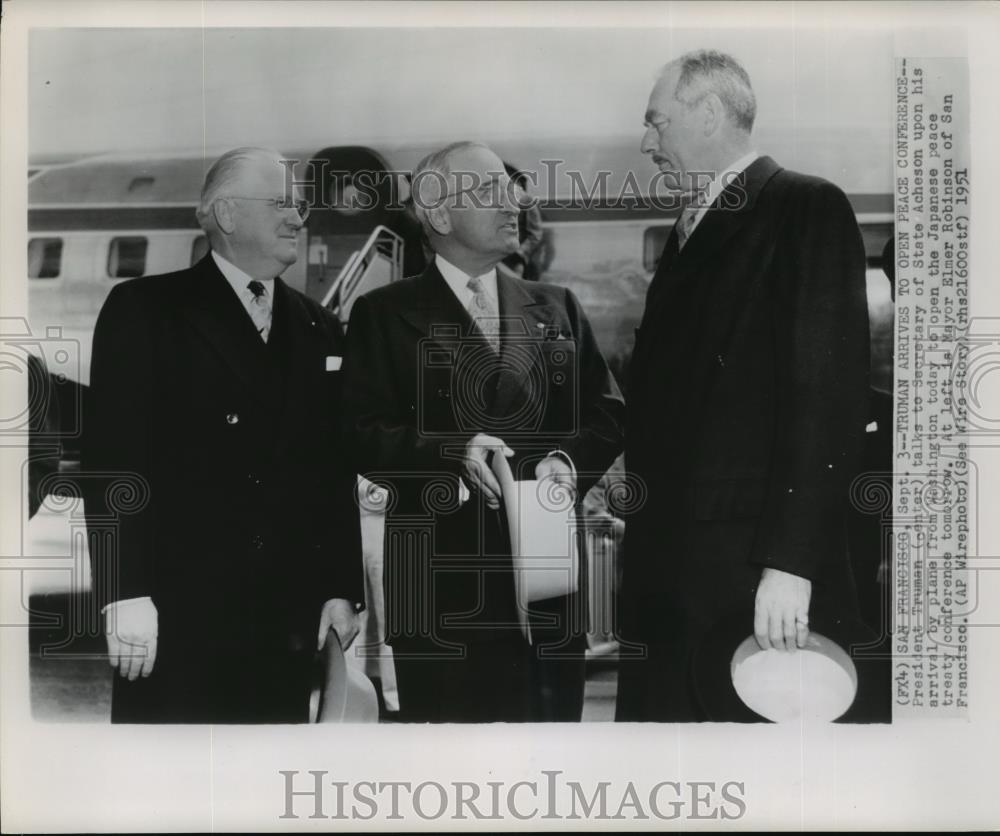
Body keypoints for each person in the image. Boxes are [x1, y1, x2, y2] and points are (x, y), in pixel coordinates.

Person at [616, 50, 871, 721]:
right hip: (674, 570)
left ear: (706, 113)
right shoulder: (690, 228)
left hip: (748, 577)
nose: (648, 144)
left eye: (656, 122)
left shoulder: (803, 207)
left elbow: (827, 399)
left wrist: (792, 564)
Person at [341, 141, 624, 722]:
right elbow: (358, 431)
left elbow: (608, 411)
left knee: (549, 775)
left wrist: (565, 464)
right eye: (490, 192)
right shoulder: (384, 313)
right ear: (439, 216)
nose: (512, 203)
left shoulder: (556, 307)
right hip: (440, 592)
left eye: (511, 190)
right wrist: (453, 451)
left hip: (545, 587)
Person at [83, 147, 365, 723]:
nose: (298, 218)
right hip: (174, 619)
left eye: (300, 205)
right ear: (228, 214)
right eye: (282, 204)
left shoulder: (318, 326)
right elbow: (114, 460)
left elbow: (331, 471)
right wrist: (123, 589)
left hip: (281, 626)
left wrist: (339, 587)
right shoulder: (147, 310)